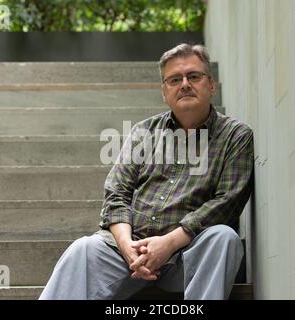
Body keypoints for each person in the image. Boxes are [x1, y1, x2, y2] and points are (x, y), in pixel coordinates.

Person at [39, 43, 254, 300]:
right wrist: (127, 247)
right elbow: (117, 193)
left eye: (193, 76)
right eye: (174, 79)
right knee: (83, 249)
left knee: (224, 238)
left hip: (188, 253)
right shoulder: (143, 132)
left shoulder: (236, 136)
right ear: (165, 92)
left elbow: (227, 202)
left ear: (211, 85)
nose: (184, 84)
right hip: (127, 255)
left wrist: (168, 244)